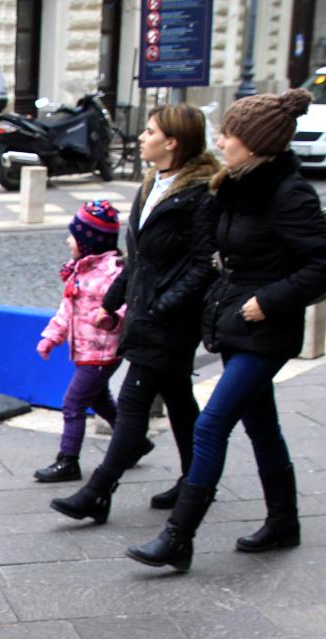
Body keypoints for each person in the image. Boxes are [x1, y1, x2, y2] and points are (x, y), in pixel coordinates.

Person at [129, 89, 326, 571]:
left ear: (255, 143)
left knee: (211, 425)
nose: (221, 141)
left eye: (230, 134)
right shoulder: (237, 184)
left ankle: (178, 537)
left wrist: (267, 301)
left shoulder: (288, 194)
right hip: (234, 323)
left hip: (264, 331)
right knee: (261, 425)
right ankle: (283, 522)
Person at [52, 105, 219, 523]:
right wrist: (112, 302)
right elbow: (138, 258)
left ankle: (98, 490)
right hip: (146, 311)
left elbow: (202, 265)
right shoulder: (153, 183)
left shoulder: (198, 194)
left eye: (149, 131)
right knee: (180, 401)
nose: (142, 138)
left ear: (172, 142)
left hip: (169, 320)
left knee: (131, 403)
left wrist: (163, 306)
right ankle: (193, 479)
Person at [33, 200, 131, 484]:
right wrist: (51, 336)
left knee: (73, 403)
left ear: (90, 241)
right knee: (99, 399)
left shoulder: (111, 272)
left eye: (74, 236)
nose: (68, 241)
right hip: (86, 349)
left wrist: (112, 318)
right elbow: (67, 309)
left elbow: (126, 304)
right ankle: (133, 442)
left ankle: (68, 461)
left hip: (103, 351)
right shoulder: (81, 269)